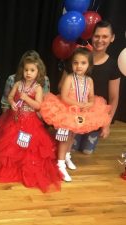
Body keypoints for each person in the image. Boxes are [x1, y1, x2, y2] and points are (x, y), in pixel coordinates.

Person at [0, 55, 62, 192]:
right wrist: (12, 103)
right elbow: (9, 96)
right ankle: (13, 169)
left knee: (29, 149)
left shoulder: (38, 88)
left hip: (30, 122)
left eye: (32, 70)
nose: (28, 73)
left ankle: (26, 169)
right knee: (11, 146)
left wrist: (26, 98)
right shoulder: (17, 84)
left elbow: (38, 106)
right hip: (14, 120)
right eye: (26, 70)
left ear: (38, 72)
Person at [41, 47, 111, 181]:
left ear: (89, 65)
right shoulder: (69, 78)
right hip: (66, 112)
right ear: (72, 64)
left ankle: (67, 156)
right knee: (64, 137)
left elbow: (91, 97)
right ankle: (60, 164)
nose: (79, 66)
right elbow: (64, 97)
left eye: (83, 63)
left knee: (73, 135)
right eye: (75, 63)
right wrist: (80, 105)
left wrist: (89, 104)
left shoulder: (89, 81)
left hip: (80, 113)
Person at [59, 20, 122, 155]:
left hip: (94, 116)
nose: (100, 40)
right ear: (91, 36)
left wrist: (106, 124)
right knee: (70, 148)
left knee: (87, 151)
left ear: (112, 38)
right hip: (73, 112)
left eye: (105, 36)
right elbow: (61, 86)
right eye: (97, 36)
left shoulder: (113, 66)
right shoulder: (78, 59)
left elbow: (114, 97)